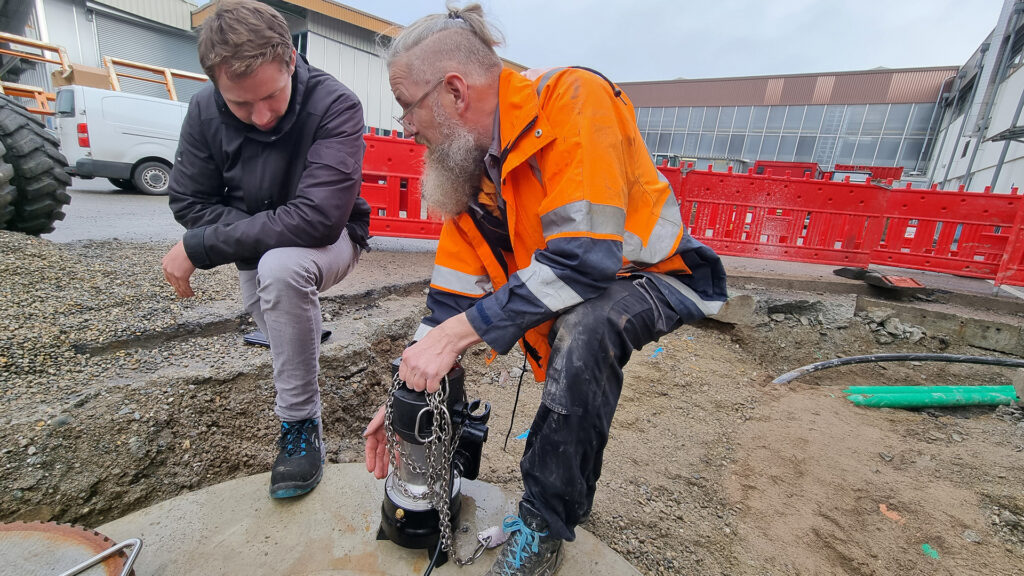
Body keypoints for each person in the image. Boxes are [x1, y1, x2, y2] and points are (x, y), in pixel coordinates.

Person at [362, 3, 728, 574]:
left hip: (656, 273)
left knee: (587, 329)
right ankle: (505, 479)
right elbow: (448, 305)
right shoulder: (468, 171)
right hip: (586, 282)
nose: (406, 126)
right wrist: (408, 394)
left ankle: (542, 523)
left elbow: (585, 259)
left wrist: (458, 335)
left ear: (454, 91)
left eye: (407, 105)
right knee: (478, 345)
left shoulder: (574, 99)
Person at [162, 0, 370, 500]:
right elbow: (189, 201)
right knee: (275, 316)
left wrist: (203, 245)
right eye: (240, 104)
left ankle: (300, 425)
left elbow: (319, 219)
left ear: (291, 61)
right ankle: (302, 336)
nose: (260, 117)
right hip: (260, 246)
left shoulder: (336, 104)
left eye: (272, 96)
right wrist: (258, 230)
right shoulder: (203, 110)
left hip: (333, 238)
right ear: (215, 84)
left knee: (279, 271)